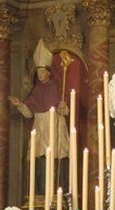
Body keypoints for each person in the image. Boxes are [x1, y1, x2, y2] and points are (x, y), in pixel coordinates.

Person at [9, 39, 70, 192]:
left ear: (48, 72)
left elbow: (64, 111)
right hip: (40, 126)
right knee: (40, 162)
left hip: (54, 125)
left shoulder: (56, 87)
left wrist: (64, 107)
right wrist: (20, 105)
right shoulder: (36, 90)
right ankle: (41, 193)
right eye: (38, 72)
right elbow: (29, 114)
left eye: (43, 71)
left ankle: (58, 191)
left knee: (57, 159)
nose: (40, 74)